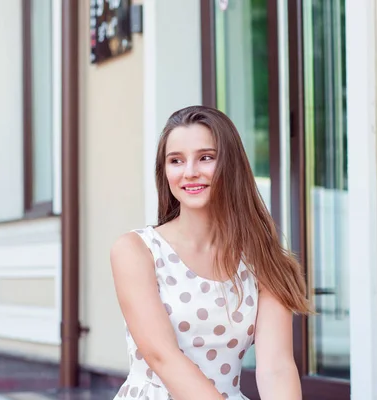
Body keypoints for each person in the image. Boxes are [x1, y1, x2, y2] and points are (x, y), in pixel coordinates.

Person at [110, 106, 312, 399]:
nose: (190, 172)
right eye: (176, 160)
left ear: (231, 165)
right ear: (165, 171)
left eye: (205, 157)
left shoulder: (263, 260)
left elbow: (276, 367)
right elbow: (162, 356)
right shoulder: (136, 250)